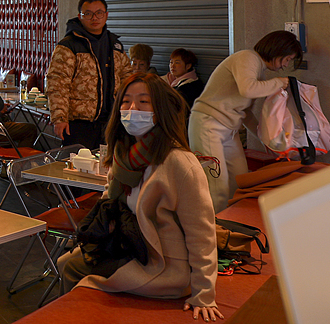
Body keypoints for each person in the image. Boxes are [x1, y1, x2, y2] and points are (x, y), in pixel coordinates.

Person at [57, 74, 221, 321]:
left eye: (144, 102)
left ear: (160, 110)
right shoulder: (123, 153)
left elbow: (202, 233)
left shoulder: (179, 162)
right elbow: (109, 199)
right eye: (126, 101)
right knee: (65, 259)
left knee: (72, 268)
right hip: (128, 246)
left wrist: (204, 293)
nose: (133, 109)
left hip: (162, 262)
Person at [188, 30, 302, 212]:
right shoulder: (247, 58)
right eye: (287, 59)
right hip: (208, 125)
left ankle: (231, 225)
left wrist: (265, 137)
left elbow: (246, 112)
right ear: (277, 50)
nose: (285, 65)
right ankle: (214, 232)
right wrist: (279, 82)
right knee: (217, 186)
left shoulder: (260, 72)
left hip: (228, 129)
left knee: (239, 180)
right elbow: (247, 89)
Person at [45, 0, 130, 150]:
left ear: (106, 15)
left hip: (111, 122)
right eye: (88, 14)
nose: (94, 18)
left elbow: (128, 80)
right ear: (80, 16)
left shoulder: (115, 45)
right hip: (78, 123)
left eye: (99, 13)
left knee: (107, 169)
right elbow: (57, 84)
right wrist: (59, 118)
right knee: (77, 168)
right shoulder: (68, 45)